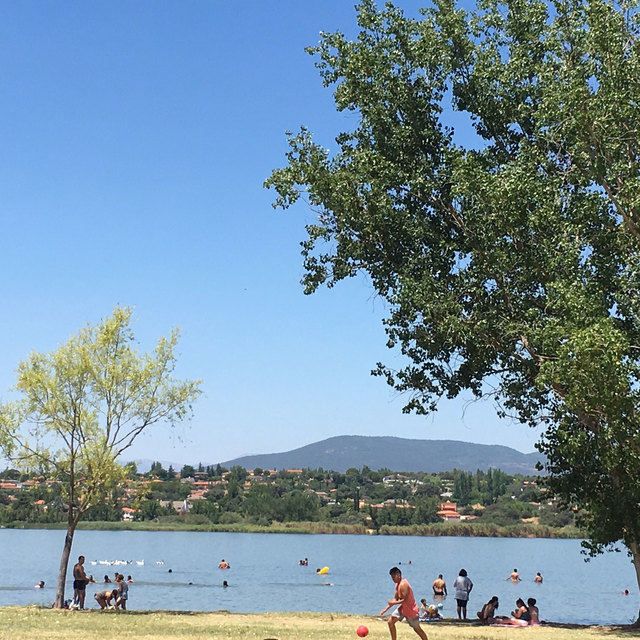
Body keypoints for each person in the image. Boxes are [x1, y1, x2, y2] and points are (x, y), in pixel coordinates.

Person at [379, 566, 428, 640]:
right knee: (390, 622)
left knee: (417, 629)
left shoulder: (403, 584)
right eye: (392, 578)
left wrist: (393, 603)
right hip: (402, 608)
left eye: (393, 577)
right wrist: (385, 609)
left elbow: (403, 600)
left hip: (411, 610)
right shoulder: (397, 584)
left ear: (398, 575)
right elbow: (395, 599)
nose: (393, 579)